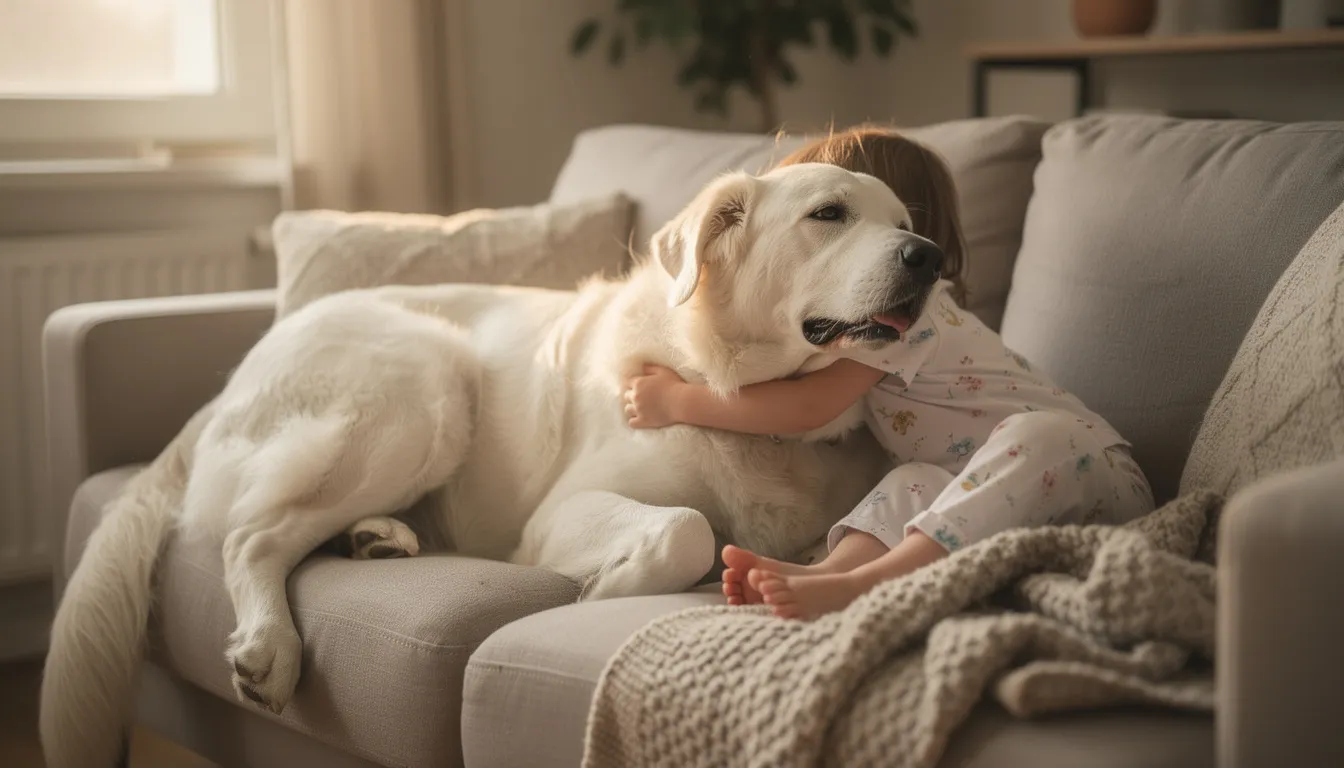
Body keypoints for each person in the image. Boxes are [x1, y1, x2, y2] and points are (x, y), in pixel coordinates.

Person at [622, 128, 1154, 620]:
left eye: (895, 226)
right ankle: (826, 574)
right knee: (912, 482)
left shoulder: (915, 324)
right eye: (832, 213)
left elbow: (809, 407)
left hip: (1092, 468)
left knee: (1037, 433)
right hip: (978, 485)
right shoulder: (863, 324)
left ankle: (871, 584)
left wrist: (676, 401)